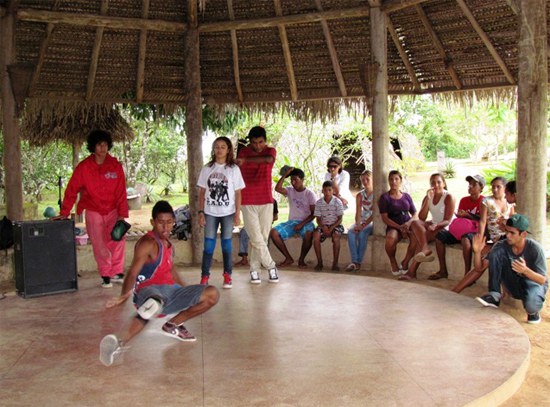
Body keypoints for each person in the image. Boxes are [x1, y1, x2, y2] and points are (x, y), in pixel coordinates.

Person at [99, 201, 219, 366]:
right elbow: (133, 271)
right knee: (154, 303)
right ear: (152, 222)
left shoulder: (168, 243)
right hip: (148, 292)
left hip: (171, 292)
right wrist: (123, 295)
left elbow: (171, 270)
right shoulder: (147, 243)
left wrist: (186, 291)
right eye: (161, 223)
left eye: (169, 222)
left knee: (212, 294)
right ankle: (117, 343)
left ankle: (173, 325)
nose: (166, 227)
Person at [57, 130, 128, 288]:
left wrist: (122, 214)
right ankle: (105, 274)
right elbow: (71, 190)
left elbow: (121, 191)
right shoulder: (84, 167)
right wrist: (64, 213)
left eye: (105, 144)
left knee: (118, 239)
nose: (103, 148)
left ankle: (117, 271)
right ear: (93, 147)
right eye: (99, 144)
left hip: (113, 210)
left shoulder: (115, 166)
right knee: (98, 243)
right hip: (93, 210)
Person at [476, 214, 547, 325]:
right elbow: (479, 268)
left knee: (532, 306)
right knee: (496, 251)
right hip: (513, 283)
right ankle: (494, 295)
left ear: (523, 234)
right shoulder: (501, 246)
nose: (507, 236)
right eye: (506, 231)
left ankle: (533, 312)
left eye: (512, 233)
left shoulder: (535, 249)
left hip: (532, 283)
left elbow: (542, 280)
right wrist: (477, 252)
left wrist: (525, 270)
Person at [452, 177, 515, 293]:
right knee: (483, 262)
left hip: (506, 240)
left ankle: (456, 290)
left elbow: (513, 225)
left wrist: (505, 226)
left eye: (498, 187)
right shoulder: (487, 201)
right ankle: (456, 290)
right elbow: (482, 222)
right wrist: (480, 240)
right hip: (495, 239)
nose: (495, 189)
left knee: (484, 263)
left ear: (505, 189)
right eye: (493, 187)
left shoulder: (510, 204)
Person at [197, 136, 245, 289]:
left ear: (228, 150)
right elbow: (202, 192)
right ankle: (205, 276)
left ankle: (227, 275)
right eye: (216, 147)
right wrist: (201, 212)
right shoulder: (207, 168)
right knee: (209, 246)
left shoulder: (233, 169)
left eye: (222, 147)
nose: (219, 150)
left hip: (228, 213)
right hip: (210, 212)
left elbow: (238, 193)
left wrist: (237, 214)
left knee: (226, 245)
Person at [236, 126, 278, 284]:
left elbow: (267, 160)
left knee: (262, 237)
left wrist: (245, 161)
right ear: (250, 142)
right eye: (254, 143)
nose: (258, 146)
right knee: (255, 236)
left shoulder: (271, 151)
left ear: (265, 141)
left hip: (266, 200)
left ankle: (254, 270)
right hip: (247, 200)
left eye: (261, 142)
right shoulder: (243, 152)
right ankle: (271, 266)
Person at [399, 173, 455, 281]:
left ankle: (411, 271)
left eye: (439, 182)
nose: (436, 185)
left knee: (419, 237)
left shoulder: (448, 197)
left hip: (445, 228)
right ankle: (425, 249)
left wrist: (437, 225)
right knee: (415, 224)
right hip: (433, 224)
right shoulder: (429, 196)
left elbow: (448, 220)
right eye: (433, 183)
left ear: (444, 183)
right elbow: (422, 217)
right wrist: (428, 200)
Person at [430, 174, 485, 280]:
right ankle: (443, 270)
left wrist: (468, 215)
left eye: (474, 185)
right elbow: (460, 218)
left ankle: (467, 274)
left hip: (475, 231)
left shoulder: (484, 201)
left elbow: (483, 220)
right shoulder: (464, 200)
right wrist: (460, 214)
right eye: (469, 184)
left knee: (465, 239)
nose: (470, 187)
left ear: (481, 188)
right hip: (461, 230)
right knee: (439, 236)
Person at [270, 167, 316, 269]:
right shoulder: (290, 191)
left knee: (309, 234)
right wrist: (285, 175)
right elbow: (277, 188)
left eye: (296, 180)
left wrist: (302, 224)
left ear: (302, 180)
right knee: (274, 232)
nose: (293, 183)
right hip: (292, 222)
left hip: (306, 222)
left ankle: (301, 259)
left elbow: (314, 214)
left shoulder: (309, 194)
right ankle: (288, 258)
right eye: (291, 180)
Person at [378, 170, 417, 276]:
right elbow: (385, 218)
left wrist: (408, 224)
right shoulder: (384, 198)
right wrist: (399, 227)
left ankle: (405, 262)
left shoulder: (406, 196)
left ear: (400, 181)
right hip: (393, 225)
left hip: (407, 224)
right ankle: (393, 261)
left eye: (396, 179)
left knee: (416, 238)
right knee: (390, 239)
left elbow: (414, 214)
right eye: (391, 179)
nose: (394, 182)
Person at [344, 170, 375, 272]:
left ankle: (358, 262)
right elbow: (358, 212)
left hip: (372, 221)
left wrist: (363, 225)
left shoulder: (376, 194)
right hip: (362, 220)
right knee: (351, 233)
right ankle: (354, 261)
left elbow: (375, 214)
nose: (365, 182)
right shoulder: (360, 195)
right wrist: (357, 224)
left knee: (362, 235)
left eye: (367, 179)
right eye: (363, 180)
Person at [234, 201, 279, 267]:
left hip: (264, 224)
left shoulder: (272, 201)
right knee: (243, 232)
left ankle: (264, 260)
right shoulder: (252, 199)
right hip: (252, 224)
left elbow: (276, 217)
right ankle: (244, 259)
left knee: (265, 235)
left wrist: (267, 219)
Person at [313, 181, 345, 271]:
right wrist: (323, 226)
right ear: (322, 191)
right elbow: (318, 218)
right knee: (316, 236)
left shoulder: (337, 202)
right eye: (325, 190)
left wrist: (332, 227)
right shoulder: (319, 203)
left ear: (333, 191)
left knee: (336, 237)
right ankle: (319, 262)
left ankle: (335, 264)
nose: (327, 192)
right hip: (323, 225)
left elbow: (340, 219)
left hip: (336, 225)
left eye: (329, 190)